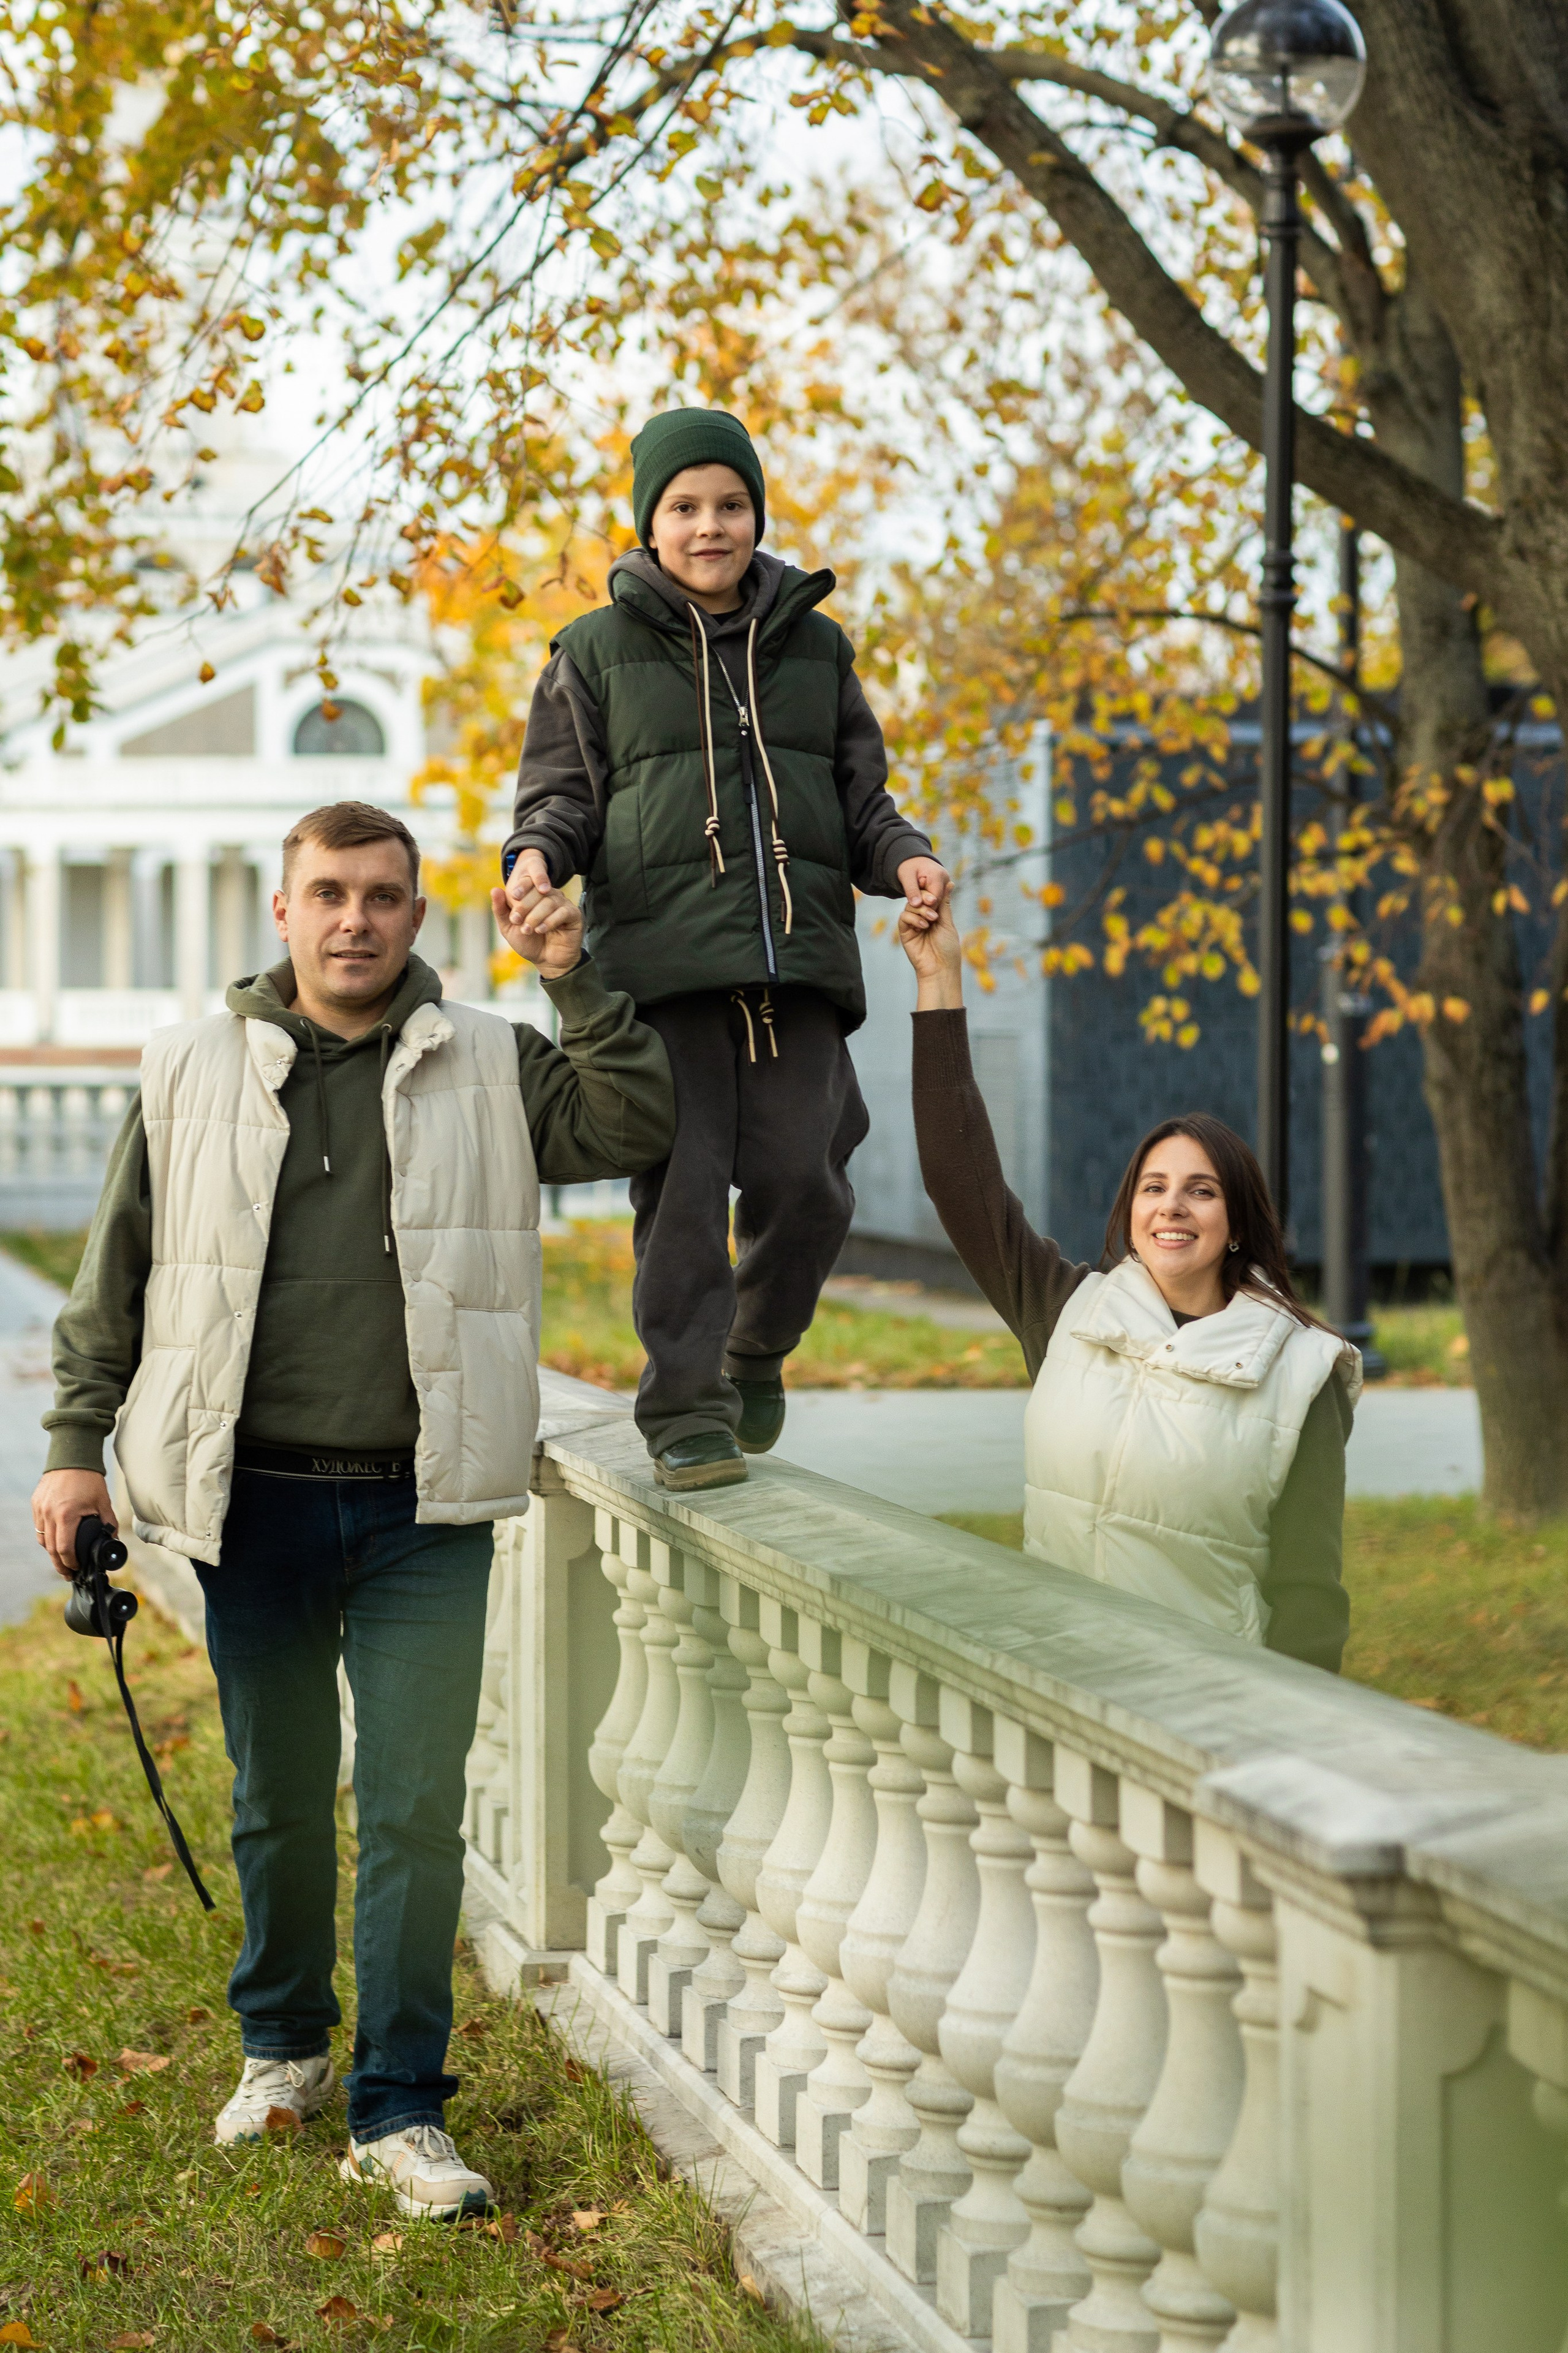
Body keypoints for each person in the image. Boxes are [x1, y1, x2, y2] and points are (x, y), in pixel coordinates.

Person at [31, 800, 675, 2213]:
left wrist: (569, 971)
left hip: (422, 1508)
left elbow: (636, 1116)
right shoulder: (189, 1065)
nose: (354, 919)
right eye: (327, 892)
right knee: (276, 1797)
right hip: (252, 1498)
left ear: (414, 915)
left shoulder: (491, 1059)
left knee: (411, 1808)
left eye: (381, 895)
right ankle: (283, 2049)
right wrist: (76, 1444)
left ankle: (399, 2106)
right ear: (284, 909)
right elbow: (116, 1269)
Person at [502, 406, 950, 1492]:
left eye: (732, 504)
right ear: (649, 524)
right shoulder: (592, 652)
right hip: (664, 976)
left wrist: (907, 859)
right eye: (685, 506)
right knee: (686, 1203)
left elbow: (862, 801)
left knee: (811, 1182)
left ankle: (756, 1349)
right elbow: (560, 798)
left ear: (757, 514)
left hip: (797, 967)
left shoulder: (815, 646)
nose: (711, 526)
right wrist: (535, 860)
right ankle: (685, 1410)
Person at [900, 892, 1360, 1666]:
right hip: (1055, 1680)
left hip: (1199, 1702)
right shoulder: (1070, 1312)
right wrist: (939, 980)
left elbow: (1309, 1599)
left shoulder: (1301, 1374)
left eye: (1200, 1190)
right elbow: (959, 1179)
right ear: (1132, 1209)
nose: (1170, 1206)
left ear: (1235, 1222)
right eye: (1153, 1187)